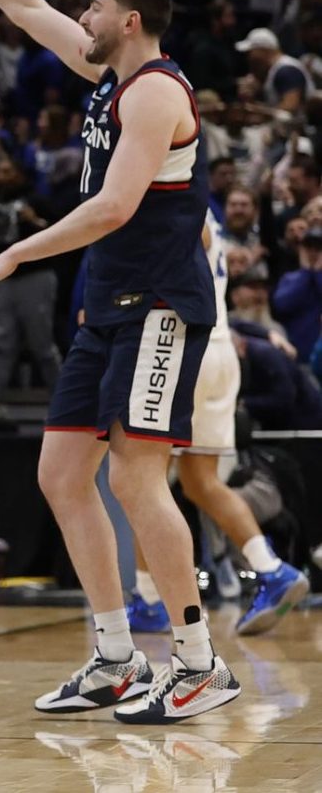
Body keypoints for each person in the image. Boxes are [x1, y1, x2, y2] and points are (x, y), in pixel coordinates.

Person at [0, 0, 240, 722]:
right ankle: (114, 656)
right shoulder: (108, 76)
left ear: (128, 20)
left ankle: (201, 660)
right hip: (109, 304)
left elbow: (115, 206)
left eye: (93, 6)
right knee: (63, 474)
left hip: (163, 304)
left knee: (137, 479)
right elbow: (19, 4)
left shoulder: (157, 93)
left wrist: (13, 253)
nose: (80, 14)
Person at [127, 219, 310, 637]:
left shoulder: (176, 205)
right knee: (200, 483)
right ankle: (271, 569)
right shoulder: (204, 210)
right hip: (219, 348)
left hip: (180, 351)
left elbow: (168, 275)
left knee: (142, 481)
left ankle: (150, 599)